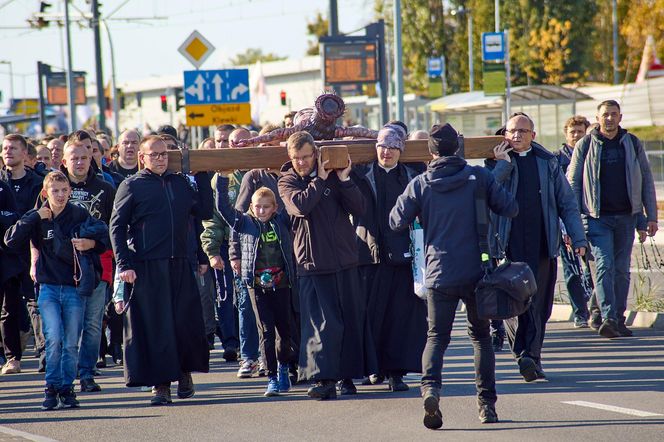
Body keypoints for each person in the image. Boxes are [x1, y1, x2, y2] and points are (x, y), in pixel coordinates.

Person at [389, 123, 518, 429]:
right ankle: (487, 406)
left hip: (439, 272)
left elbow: (395, 221)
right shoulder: (479, 177)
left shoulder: (421, 183)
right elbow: (510, 208)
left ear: (431, 151)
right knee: (481, 338)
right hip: (478, 271)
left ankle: (430, 390)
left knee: (436, 338)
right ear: (457, 148)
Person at [109, 135, 213, 406]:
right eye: (153, 154)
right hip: (147, 266)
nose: (159, 158)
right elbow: (116, 227)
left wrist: (203, 176)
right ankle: (161, 386)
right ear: (142, 158)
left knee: (185, 323)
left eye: (163, 154)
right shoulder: (131, 185)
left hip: (180, 262)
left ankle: (184, 373)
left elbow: (203, 211)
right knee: (158, 328)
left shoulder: (179, 182)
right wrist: (124, 264)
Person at [487, 113, 586, 382]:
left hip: (543, 243)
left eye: (522, 131)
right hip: (508, 244)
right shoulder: (494, 162)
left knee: (539, 305)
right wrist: (502, 165)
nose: (516, 135)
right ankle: (522, 354)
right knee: (514, 302)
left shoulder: (547, 162)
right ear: (504, 134)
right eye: (511, 131)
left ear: (533, 134)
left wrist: (578, 239)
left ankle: (533, 357)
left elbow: (567, 203)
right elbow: (487, 194)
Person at [4, 171, 109, 410]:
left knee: (71, 342)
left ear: (70, 192)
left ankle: (66, 387)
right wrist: (34, 217)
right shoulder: (38, 217)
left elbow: (103, 237)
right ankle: (51, 387)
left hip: (73, 287)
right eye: (55, 191)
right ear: (45, 193)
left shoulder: (79, 214)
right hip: (48, 288)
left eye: (64, 191)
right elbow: (10, 240)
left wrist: (90, 244)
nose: (60, 195)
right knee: (53, 339)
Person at [278, 131, 367, 400]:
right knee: (319, 326)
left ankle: (348, 377)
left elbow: (359, 208)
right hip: (313, 263)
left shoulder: (333, 175)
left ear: (315, 153)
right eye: (296, 158)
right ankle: (323, 380)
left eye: (306, 157)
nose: (302, 162)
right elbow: (300, 206)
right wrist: (319, 179)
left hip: (345, 259)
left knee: (349, 320)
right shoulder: (287, 181)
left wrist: (344, 180)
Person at [567, 100, 658, 338]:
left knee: (621, 271)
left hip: (627, 217)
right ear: (597, 119)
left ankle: (615, 316)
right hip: (597, 218)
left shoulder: (632, 142)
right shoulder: (586, 144)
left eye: (613, 114)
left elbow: (646, 180)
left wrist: (650, 217)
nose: (609, 119)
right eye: (605, 115)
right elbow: (573, 182)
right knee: (604, 266)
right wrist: (574, 222)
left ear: (620, 117)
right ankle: (609, 318)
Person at [351, 123, 427, 392]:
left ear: (401, 150)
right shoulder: (362, 173)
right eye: (383, 146)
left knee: (401, 319)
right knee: (371, 317)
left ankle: (396, 373)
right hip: (369, 256)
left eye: (393, 147)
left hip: (402, 257)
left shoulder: (411, 176)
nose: (387, 152)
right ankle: (373, 369)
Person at [215, 177, 295, 397]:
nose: (261, 210)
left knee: (284, 330)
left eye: (266, 207)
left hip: (283, 284)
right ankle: (271, 377)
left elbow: (295, 205)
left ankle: (284, 367)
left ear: (274, 207)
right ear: (251, 206)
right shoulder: (244, 222)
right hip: (256, 285)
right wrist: (222, 180)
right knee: (266, 331)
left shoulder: (282, 221)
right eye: (257, 206)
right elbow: (223, 208)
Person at [59, 141, 115, 392]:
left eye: (84, 157)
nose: (80, 162)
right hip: (61, 268)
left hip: (96, 264)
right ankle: (65, 376)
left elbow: (115, 226)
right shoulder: (53, 188)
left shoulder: (104, 188)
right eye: (74, 158)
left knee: (93, 323)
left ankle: (86, 374)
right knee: (69, 325)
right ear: (64, 161)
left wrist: (96, 244)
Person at [0, 133, 44, 375]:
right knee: (8, 309)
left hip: (32, 250)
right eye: (5, 148)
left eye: (14, 148)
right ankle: (12, 358)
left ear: (25, 153)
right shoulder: (0, 183)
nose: (8, 152)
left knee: (35, 302)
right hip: (5, 253)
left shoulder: (38, 182)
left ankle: (43, 353)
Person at [556, 116, 593, 328]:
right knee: (572, 270)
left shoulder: (592, 155)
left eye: (581, 131)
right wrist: (564, 227)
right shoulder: (556, 159)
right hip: (566, 224)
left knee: (591, 268)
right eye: (573, 132)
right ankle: (580, 312)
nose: (577, 135)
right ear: (566, 134)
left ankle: (591, 304)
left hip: (590, 221)